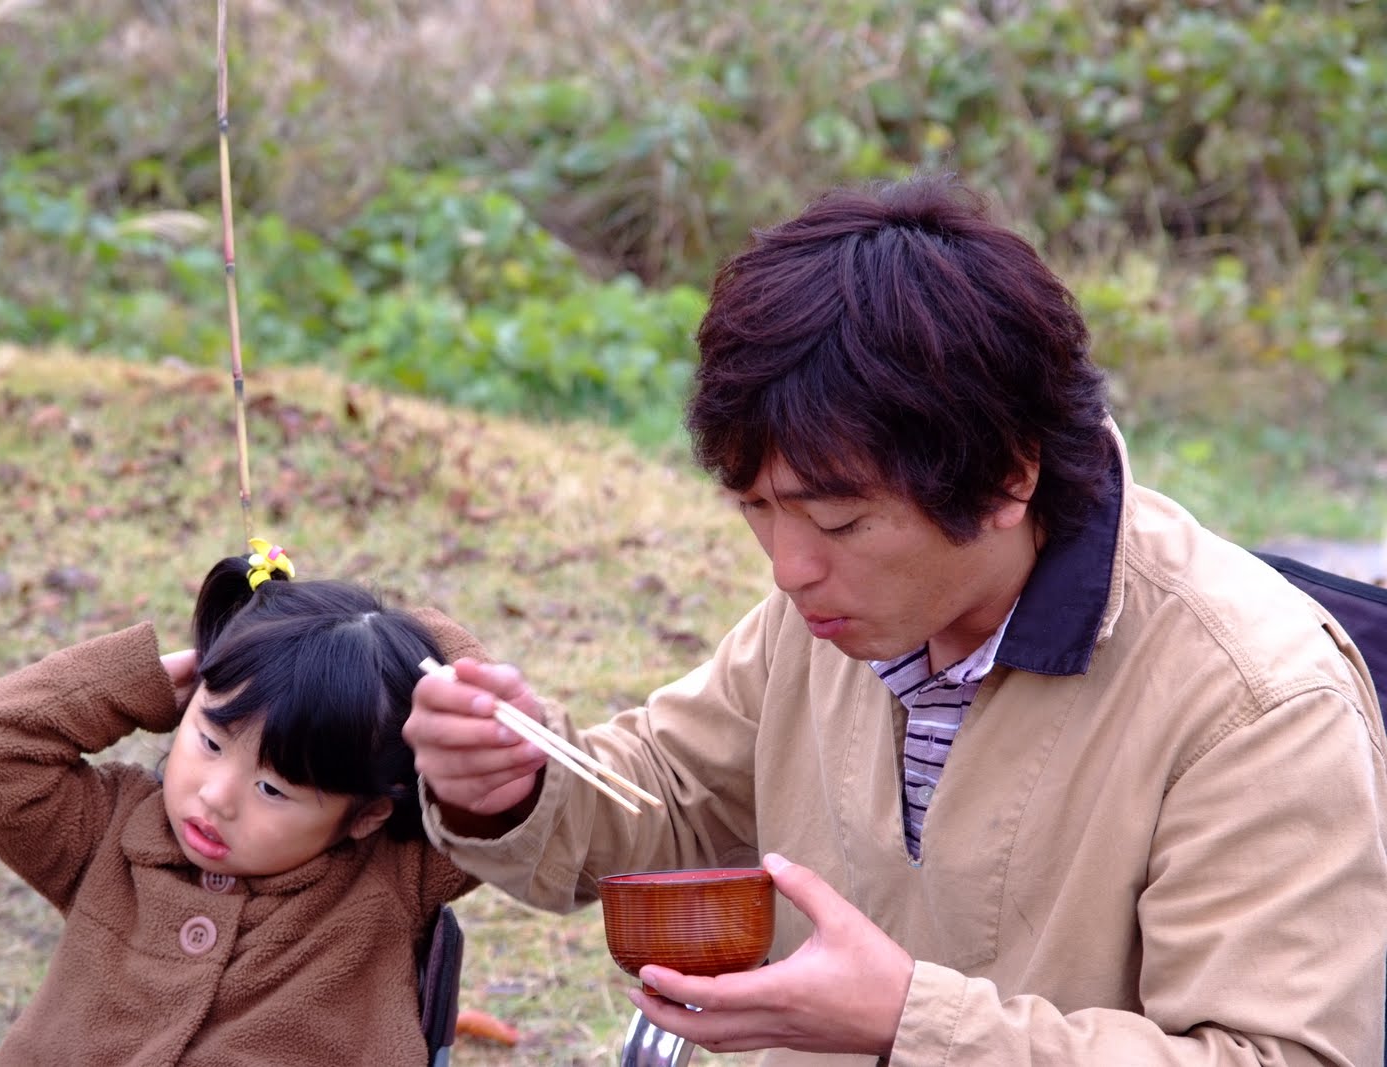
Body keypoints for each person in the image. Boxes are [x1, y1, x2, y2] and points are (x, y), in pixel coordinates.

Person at [404, 175, 1387, 1065]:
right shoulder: (834, 616)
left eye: (839, 519)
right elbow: (663, 809)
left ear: (1006, 477)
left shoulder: (1252, 698)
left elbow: (1279, 1054)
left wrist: (907, 1020)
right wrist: (510, 784)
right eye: (755, 506)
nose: (788, 568)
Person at [0, 542, 486, 1065]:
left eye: (272, 789)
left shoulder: (398, 872)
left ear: (367, 813)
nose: (215, 798)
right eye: (210, 741)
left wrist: (414, 648)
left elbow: (514, 781)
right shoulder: (108, 831)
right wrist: (138, 681)